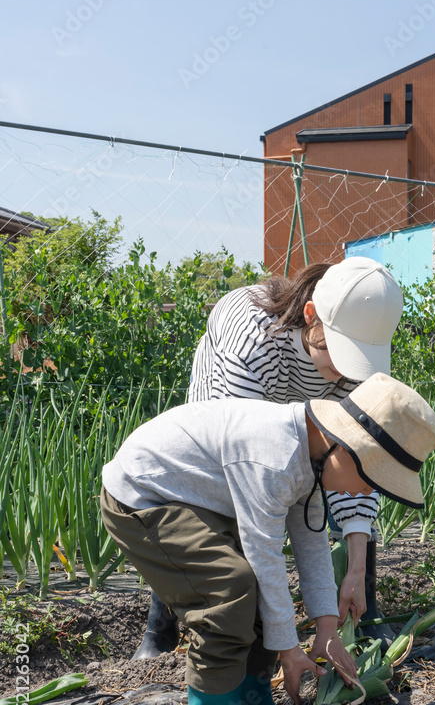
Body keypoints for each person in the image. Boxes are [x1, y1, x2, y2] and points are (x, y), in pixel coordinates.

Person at [101, 372, 435, 705]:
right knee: (229, 585)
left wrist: (327, 628)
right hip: (143, 495)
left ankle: (250, 698)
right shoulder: (274, 457)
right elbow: (264, 559)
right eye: (369, 479)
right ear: (344, 447)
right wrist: (290, 651)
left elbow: (312, 544)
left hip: (195, 499)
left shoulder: (312, 455)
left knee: (263, 590)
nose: (363, 492)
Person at [133, 257, 405, 660]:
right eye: (338, 352)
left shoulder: (360, 358)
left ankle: (364, 605)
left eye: (357, 358)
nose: (345, 371)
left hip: (293, 411)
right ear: (311, 315)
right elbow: (245, 468)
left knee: (322, 483)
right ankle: (163, 624)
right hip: (232, 404)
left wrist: (355, 569)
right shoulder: (252, 337)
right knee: (210, 500)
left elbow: (356, 466)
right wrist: (284, 639)